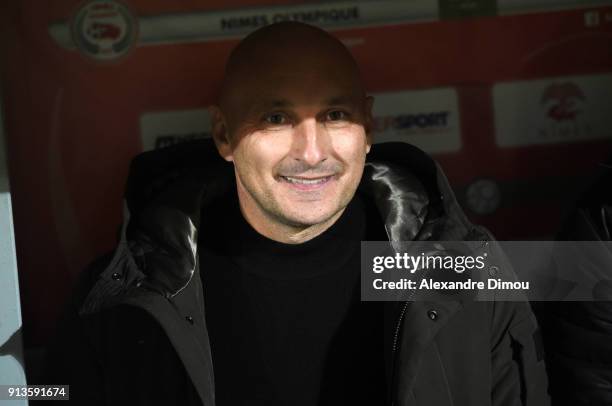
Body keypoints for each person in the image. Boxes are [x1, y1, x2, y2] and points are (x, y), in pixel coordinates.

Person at [42, 22, 550, 405]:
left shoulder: (465, 270)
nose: (311, 152)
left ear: (368, 126)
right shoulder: (121, 293)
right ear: (223, 135)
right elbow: (43, 395)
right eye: (277, 117)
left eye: (335, 115)